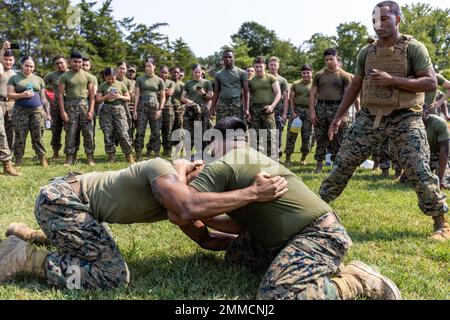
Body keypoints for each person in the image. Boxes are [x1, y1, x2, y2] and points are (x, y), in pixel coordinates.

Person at [168, 116, 402, 300]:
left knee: (277, 296)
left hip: (317, 236)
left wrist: (179, 168)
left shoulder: (224, 164)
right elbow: (239, 223)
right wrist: (206, 218)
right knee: (237, 257)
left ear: (216, 142)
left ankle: (355, 281)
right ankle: (307, 268)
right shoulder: (248, 159)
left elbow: (182, 207)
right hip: (301, 234)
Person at [0, 158, 287, 290]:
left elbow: (208, 239)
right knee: (111, 277)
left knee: (95, 239)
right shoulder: (161, 171)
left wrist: (260, 236)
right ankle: (28, 259)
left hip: (70, 209)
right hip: (60, 201)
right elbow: (190, 206)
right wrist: (253, 193)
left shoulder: (180, 203)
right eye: (205, 176)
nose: (207, 186)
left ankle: (31, 235)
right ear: (194, 167)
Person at [320, 0, 450, 241]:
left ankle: (441, 223)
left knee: (418, 169)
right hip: (369, 118)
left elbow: (430, 83)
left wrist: (392, 80)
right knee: (343, 162)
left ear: (398, 19)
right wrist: (338, 117)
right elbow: (355, 85)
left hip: (405, 119)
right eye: (374, 21)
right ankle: (314, 212)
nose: (378, 26)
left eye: (384, 20)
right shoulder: (366, 52)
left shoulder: (414, 48)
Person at [309, 48, 353, 173]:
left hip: (337, 109)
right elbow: (312, 94)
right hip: (321, 108)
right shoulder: (319, 75)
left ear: (336, 58)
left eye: (331, 59)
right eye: (326, 60)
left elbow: (348, 97)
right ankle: (319, 165)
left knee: (338, 137)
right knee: (320, 137)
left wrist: (342, 116)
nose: (328, 62)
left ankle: (336, 166)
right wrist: (312, 112)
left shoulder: (344, 76)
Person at [7, 56, 50, 167]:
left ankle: (42, 158)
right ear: (22, 65)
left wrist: (47, 112)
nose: (29, 68)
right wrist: (22, 94)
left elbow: (44, 98)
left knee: (38, 135)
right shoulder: (14, 78)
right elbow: (9, 95)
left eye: (31, 66)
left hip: (37, 111)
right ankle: (18, 159)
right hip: (20, 111)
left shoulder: (39, 79)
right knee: (20, 136)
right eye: (27, 65)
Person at [58, 52, 96, 166]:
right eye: (75, 61)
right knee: (71, 132)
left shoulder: (88, 76)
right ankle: (69, 157)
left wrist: (91, 111)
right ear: (70, 62)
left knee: (88, 132)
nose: (78, 64)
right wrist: (62, 111)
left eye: (80, 62)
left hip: (85, 105)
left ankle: (89, 157)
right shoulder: (64, 76)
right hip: (70, 106)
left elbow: (92, 96)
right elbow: (60, 95)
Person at [96, 67, 135, 164]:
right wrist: (106, 96)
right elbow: (98, 100)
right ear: (105, 77)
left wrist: (119, 96)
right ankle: (111, 156)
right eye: (108, 78)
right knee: (108, 133)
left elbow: (128, 98)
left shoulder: (121, 84)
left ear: (115, 75)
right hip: (106, 110)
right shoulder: (102, 86)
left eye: (112, 78)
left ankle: (128, 155)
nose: (111, 80)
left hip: (119, 110)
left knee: (123, 133)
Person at [247, 56, 281, 159]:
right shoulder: (250, 81)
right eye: (256, 67)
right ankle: (256, 159)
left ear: (265, 66)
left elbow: (278, 93)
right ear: (254, 67)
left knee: (271, 135)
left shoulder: (271, 78)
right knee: (254, 137)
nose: (258, 69)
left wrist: (272, 106)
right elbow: (247, 96)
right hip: (254, 110)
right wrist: (247, 110)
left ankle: (272, 159)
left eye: (260, 66)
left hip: (268, 109)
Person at [134, 58, 166, 161]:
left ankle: (156, 154)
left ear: (154, 67)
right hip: (142, 107)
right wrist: (134, 110)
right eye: (146, 66)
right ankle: (138, 154)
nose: (147, 68)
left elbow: (163, 96)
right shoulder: (140, 79)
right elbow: (137, 95)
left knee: (156, 131)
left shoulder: (159, 80)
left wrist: (160, 109)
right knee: (140, 131)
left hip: (155, 107)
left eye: (149, 66)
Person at [285, 64, 314, 165]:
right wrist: (292, 112)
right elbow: (291, 99)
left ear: (312, 73)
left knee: (307, 136)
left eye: (308, 73)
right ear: (301, 73)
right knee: (291, 135)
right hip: (297, 112)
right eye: (304, 73)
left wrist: (313, 113)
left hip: (309, 112)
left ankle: (303, 158)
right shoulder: (296, 84)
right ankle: (288, 158)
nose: (306, 75)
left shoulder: (315, 84)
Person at [181, 64, 213, 153]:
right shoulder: (188, 83)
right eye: (195, 72)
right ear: (192, 72)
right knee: (189, 132)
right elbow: (182, 97)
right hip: (191, 109)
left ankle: (203, 153)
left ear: (202, 72)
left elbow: (211, 97)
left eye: (199, 72)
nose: (197, 74)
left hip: (203, 110)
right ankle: (188, 153)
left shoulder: (207, 82)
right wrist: (187, 101)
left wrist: (203, 93)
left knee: (203, 132)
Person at [210, 50, 249, 122]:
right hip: (222, 106)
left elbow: (246, 92)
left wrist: (246, 109)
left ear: (234, 58)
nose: (228, 59)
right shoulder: (218, 74)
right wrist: (212, 108)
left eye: (230, 57)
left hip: (236, 106)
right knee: (221, 130)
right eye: (225, 57)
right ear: (223, 59)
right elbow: (216, 93)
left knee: (237, 131)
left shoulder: (242, 73)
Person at [44, 56, 68, 160]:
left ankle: (70, 154)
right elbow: (40, 86)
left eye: (61, 63)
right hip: (56, 106)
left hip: (70, 105)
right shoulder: (51, 75)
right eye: (57, 63)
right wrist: (48, 99)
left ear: (66, 62)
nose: (59, 65)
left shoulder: (72, 73)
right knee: (56, 130)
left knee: (70, 130)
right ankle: (55, 153)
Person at [268, 56, 290, 156]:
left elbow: (286, 98)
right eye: (271, 65)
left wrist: (285, 114)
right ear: (268, 65)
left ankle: (277, 154)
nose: (273, 67)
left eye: (275, 65)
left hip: (278, 110)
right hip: (266, 109)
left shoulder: (282, 80)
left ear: (278, 66)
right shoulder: (264, 78)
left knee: (278, 132)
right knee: (266, 132)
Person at [0, 42, 16, 150]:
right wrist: (3, 49)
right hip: (0, 103)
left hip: (12, 104)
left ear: (14, 61)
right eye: (6, 59)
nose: (8, 62)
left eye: (10, 60)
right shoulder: (0, 71)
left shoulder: (16, 75)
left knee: (11, 130)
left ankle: (10, 154)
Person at [159, 66, 175, 156]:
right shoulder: (157, 81)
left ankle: (167, 149)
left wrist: (160, 92)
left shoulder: (171, 82)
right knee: (156, 130)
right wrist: (164, 91)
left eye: (165, 72)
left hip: (168, 108)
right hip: (157, 107)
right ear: (159, 72)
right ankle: (153, 148)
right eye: (162, 72)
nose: (163, 74)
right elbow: (153, 93)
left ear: (168, 74)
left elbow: (170, 93)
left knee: (168, 130)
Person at [170, 67, 185, 148]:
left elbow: (184, 97)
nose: (175, 74)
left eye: (177, 72)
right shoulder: (167, 82)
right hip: (167, 107)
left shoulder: (182, 85)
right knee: (168, 128)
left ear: (179, 74)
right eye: (174, 72)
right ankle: (168, 147)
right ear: (171, 73)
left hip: (178, 108)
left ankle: (177, 147)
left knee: (178, 128)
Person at [126, 64, 138, 141]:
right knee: (127, 127)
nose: (131, 73)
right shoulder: (124, 81)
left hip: (135, 108)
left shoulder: (137, 82)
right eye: (129, 71)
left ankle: (133, 142)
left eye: (133, 72)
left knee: (134, 127)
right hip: (126, 107)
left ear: (135, 73)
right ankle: (129, 142)